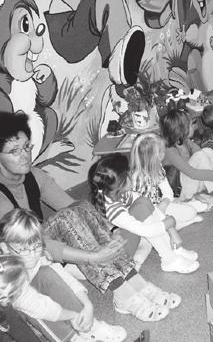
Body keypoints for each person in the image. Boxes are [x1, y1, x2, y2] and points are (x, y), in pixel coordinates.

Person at [0, 112, 176, 322]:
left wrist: (111, 230)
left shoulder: (35, 175)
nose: (25, 155)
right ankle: (124, 297)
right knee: (67, 217)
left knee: (79, 206)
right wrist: (93, 256)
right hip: (24, 257)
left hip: (55, 246)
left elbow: (72, 206)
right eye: (14, 151)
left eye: (27, 147)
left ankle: (138, 284)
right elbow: (27, 243)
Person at [0, 209, 127, 342]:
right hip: (11, 314)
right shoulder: (6, 274)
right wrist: (72, 316)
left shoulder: (35, 253)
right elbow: (38, 306)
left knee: (48, 274)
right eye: (24, 250)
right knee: (38, 312)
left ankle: (90, 328)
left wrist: (86, 305)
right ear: (5, 248)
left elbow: (61, 275)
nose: (32, 255)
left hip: (29, 298)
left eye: (37, 246)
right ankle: (72, 338)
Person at [89, 154, 200, 274]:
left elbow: (151, 208)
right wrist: (168, 223)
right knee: (142, 209)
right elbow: (146, 231)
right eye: (129, 172)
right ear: (121, 182)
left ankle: (174, 249)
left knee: (143, 202)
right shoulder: (112, 209)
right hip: (120, 252)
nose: (132, 174)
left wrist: (172, 231)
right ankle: (169, 260)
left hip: (132, 236)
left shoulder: (121, 193)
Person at [160, 109, 213, 206]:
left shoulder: (188, 143)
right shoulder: (170, 150)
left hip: (192, 184)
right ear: (182, 130)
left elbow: (210, 156)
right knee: (201, 155)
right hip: (181, 191)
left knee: (207, 151)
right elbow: (192, 173)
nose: (194, 127)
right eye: (191, 125)